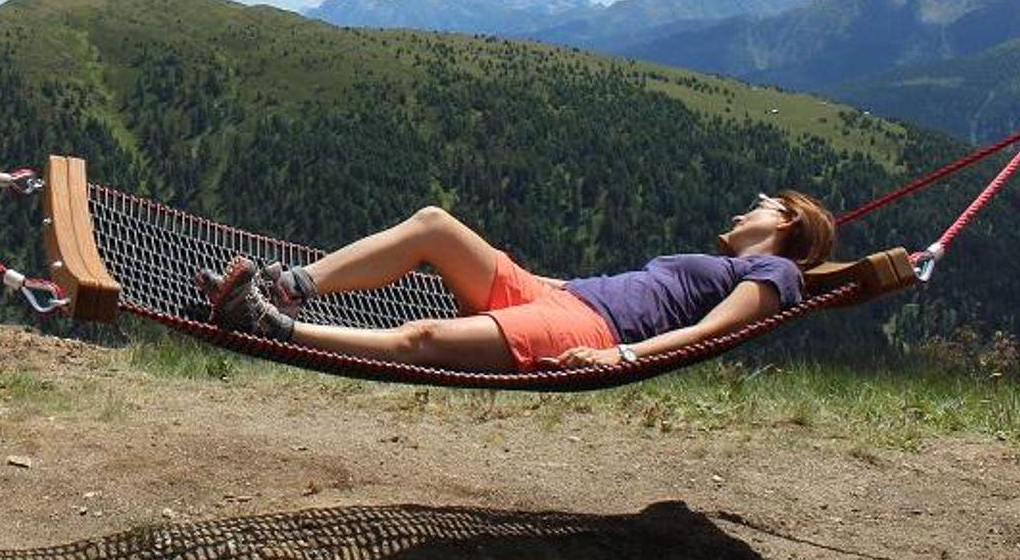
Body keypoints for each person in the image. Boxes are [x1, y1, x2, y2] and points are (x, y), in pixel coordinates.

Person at [201, 190, 835, 371]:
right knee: (434, 225)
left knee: (424, 338)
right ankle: (287, 286)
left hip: (589, 328)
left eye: (759, 206)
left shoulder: (776, 271)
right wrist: (539, 281)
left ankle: (270, 325)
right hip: (559, 294)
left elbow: (710, 331)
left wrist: (622, 355)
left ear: (786, 221)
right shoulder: (737, 261)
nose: (742, 212)